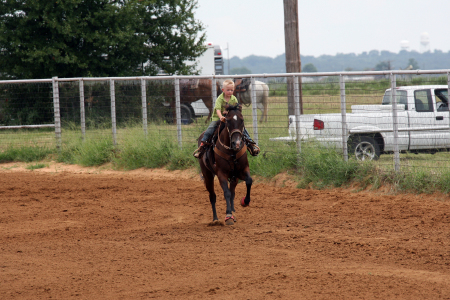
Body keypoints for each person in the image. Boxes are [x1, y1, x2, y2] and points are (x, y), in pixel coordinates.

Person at [193, 79, 260, 158]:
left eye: (231, 90)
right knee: (210, 130)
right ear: (223, 90)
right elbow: (217, 110)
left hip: (229, 119)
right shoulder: (219, 99)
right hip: (217, 118)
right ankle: (202, 147)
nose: (230, 92)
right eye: (228, 90)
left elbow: (235, 109)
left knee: (243, 130)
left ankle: (251, 146)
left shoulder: (234, 98)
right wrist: (221, 117)